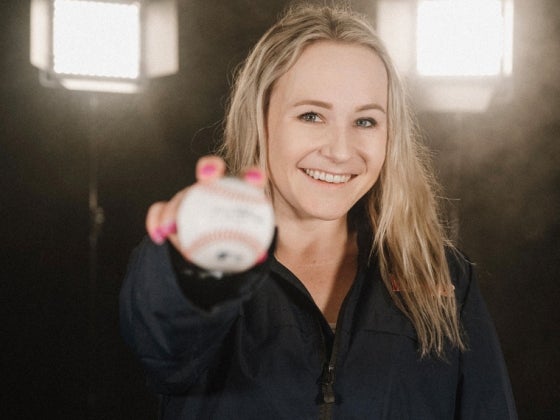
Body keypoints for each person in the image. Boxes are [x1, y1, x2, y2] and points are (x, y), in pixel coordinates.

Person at [120, 4, 517, 419]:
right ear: (261, 120)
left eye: (365, 122)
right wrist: (193, 268)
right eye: (311, 115)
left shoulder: (442, 277)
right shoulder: (199, 260)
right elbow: (165, 345)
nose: (341, 150)